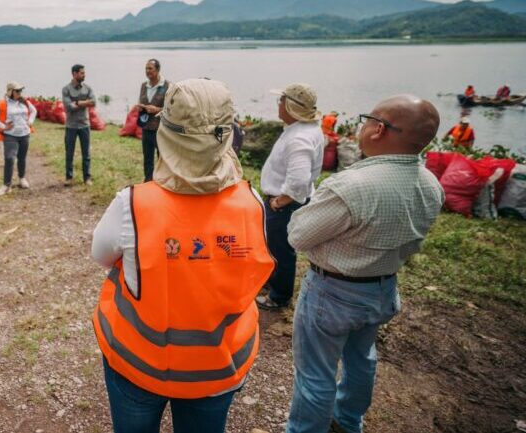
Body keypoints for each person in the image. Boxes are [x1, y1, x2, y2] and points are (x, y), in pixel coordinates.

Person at [91, 79, 275, 433]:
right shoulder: (252, 203)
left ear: (167, 134)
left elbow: (100, 255)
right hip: (219, 365)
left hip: (138, 361)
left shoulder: (132, 204)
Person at [283, 95, 444, 433]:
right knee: (362, 359)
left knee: (315, 372)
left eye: (366, 119)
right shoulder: (431, 184)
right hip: (382, 288)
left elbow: (298, 235)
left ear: (379, 129)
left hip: (333, 292)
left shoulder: (351, 186)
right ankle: (348, 421)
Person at [255, 83, 325, 310]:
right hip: (285, 202)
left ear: (291, 107)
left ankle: (279, 296)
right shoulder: (305, 129)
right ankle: (271, 281)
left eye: (281, 101)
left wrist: (279, 201)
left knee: (281, 250)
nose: (278, 105)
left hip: (285, 204)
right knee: (274, 245)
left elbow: (299, 180)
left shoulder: (299, 138)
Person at [0, 81, 37, 196]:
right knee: (9, 159)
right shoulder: (3, 103)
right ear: (10, 92)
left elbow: (34, 111)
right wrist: (3, 127)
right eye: (17, 91)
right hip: (10, 135)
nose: (20, 92)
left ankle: (22, 178)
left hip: (24, 134)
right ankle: (6, 185)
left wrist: (30, 121)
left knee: (22, 158)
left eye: (21, 90)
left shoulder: (25, 101)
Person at [62, 64, 96, 186]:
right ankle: (69, 177)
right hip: (71, 126)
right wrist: (85, 102)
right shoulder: (66, 89)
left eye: (84, 73)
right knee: (69, 153)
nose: (84, 75)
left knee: (86, 153)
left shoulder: (88, 88)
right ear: (74, 74)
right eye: (82, 73)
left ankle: (87, 178)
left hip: (85, 125)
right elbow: (69, 107)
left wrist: (77, 102)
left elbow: (93, 102)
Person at [137, 59, 170, 182]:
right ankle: (148, 182)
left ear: (158, 70)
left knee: (162, 158)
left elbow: (172, 109)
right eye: (146, 68)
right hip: (146, 128)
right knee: (147, 159)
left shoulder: (167, 86)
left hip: (161, 130)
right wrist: (140, 107)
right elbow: (142, 101)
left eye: (150, 68)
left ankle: (163, 182)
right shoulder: (143, 85)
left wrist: (157, 110)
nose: (147, 71)